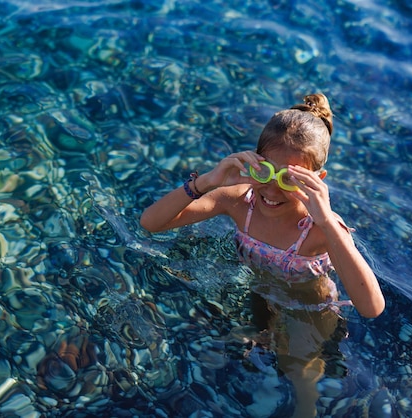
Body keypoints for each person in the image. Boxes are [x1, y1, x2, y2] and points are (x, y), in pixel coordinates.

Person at [140, 93, 385, 416]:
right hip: (260, 288)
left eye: (290, 179)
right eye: (266, 173)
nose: (272, 190)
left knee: (296, 367)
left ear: (317, 181)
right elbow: (151, 224)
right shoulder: (238, 201)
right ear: (252, 162)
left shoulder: (318, 228)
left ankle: (307, 409)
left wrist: (327, 221)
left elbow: (371, 308)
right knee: (249, 337)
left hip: (309, 307)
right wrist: (207, 181)